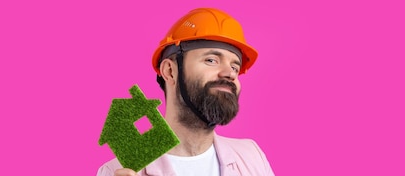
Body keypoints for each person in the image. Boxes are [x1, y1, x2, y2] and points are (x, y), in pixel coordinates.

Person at [96, 8, 275, 176]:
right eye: (211, 60)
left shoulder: (251, 156)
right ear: (170, 71)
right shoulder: (118, 170)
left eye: (235, 67)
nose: (229, 74)